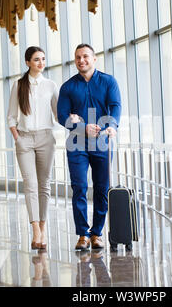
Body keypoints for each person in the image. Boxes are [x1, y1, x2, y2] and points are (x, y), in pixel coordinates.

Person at [57, 44, 121, 251]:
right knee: (79, 188)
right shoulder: (67, 87)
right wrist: (83, 127)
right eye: (77, 57)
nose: (81, 60)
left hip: (102, 142)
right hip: (77, 144)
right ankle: (83, 234)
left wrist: (112, 125)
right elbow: (62, 116)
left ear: (94, 59)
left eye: (85, 56)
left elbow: (116, 105)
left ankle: (97, 233)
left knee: (102, 189)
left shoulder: (108, 81)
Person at [7, 46, 59, 251]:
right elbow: (11, 115)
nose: (41, 63)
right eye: (36, 59)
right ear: (28, 62)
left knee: (44, 185)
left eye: (43, 59)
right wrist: (17, 138)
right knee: (30, 184)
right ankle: (35, 230)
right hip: (25, 139)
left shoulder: (51, 85)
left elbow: (58, 113)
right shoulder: (18, 85)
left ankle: (43, 227)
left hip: (46, 137)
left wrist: (74, 120)